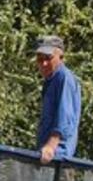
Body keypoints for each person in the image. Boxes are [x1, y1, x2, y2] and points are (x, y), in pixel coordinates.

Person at [35, 35, 82, 164]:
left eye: (48, 58)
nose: (44, 64)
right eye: (40, 59)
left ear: (61, 57)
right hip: (47, 157)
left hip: (57, 159)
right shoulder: (50, 80)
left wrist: (50, 147)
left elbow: (65, 118)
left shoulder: (63, 77)